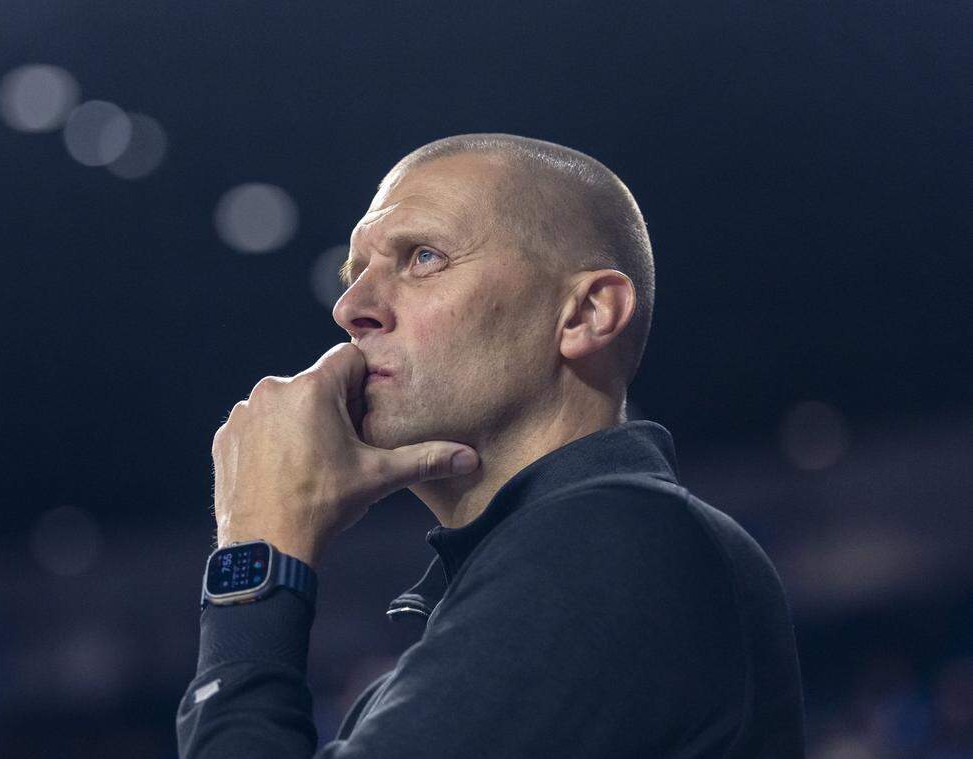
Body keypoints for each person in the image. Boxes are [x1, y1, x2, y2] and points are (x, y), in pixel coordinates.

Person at [177, 133, 808, 757]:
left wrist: (257, 553)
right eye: (356, 272)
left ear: (587, 313)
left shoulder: (621, 535)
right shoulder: (567, 561)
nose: (351, 306)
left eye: (423, 257)